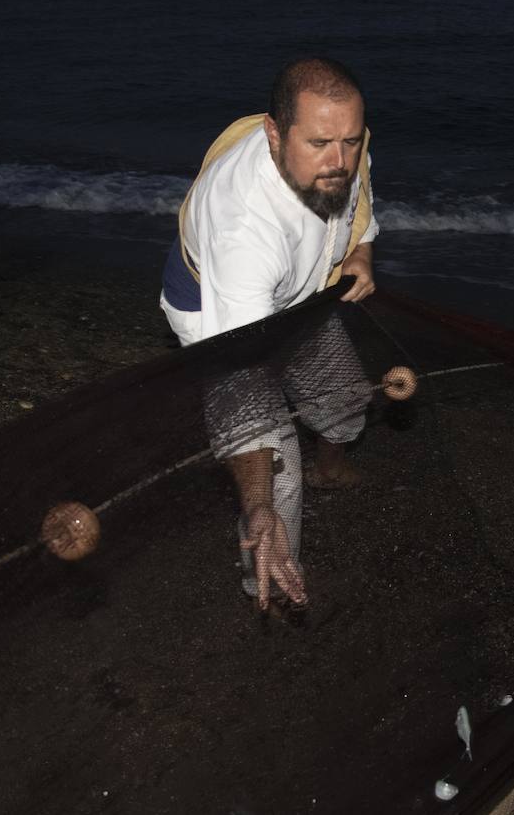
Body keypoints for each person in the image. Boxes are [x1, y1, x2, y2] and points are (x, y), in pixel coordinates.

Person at [159, 57, 378, 612]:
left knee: (349, 395)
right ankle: (270, 583)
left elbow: (359, 204)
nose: (339, 162)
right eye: (320, 144)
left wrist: (360, 251)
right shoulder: (243, 232)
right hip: (223, 311)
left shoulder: (341, 144)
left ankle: (331, 461)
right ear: (274, 134)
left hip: (300, 295)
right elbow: (244, 392)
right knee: (277, 483)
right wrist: (256, 499)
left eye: (350, 142)